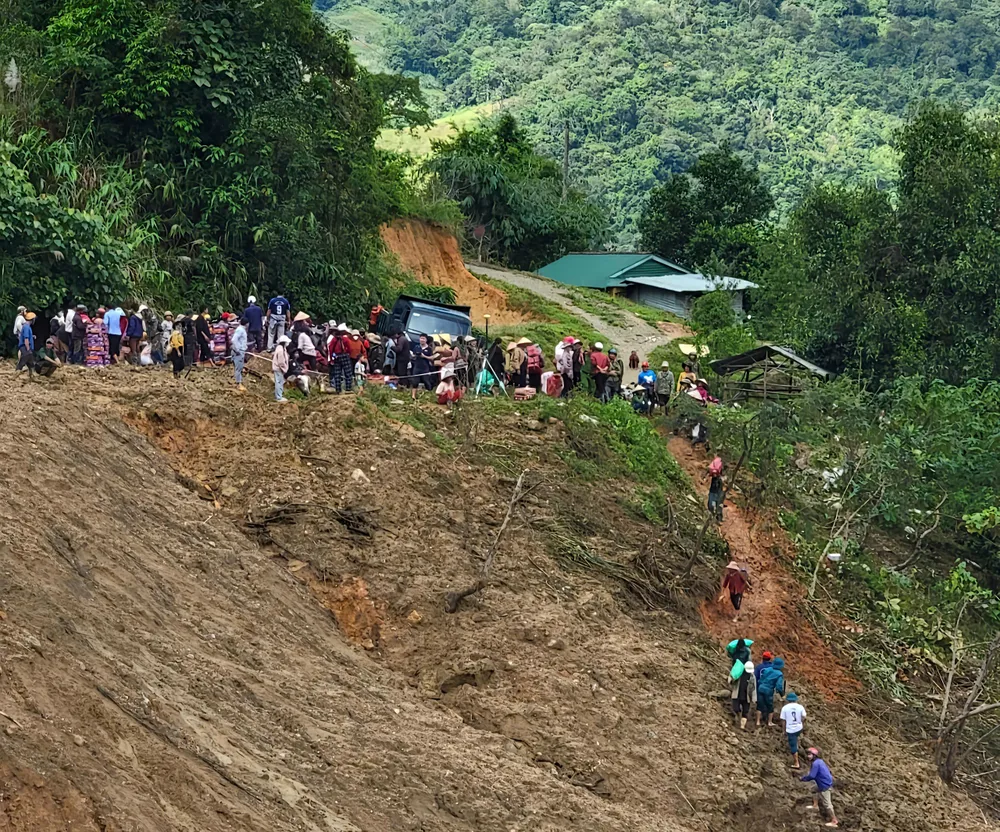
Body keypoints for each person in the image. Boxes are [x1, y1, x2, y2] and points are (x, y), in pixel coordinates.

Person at [801, 747, 838, 827]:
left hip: (824, 785)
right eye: (808, 754)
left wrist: (803, 778)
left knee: (827, 804)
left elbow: (812, 775)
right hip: (825, 782)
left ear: (814, 755)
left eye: (810, 755)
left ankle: (834, 821)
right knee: (814, 789)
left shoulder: (815, 764)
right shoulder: (819, 761)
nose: (808, 756)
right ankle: (815, 805)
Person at [780, 692, 807, 770]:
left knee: (793, 746)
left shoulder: (785, 708)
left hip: (791, 729)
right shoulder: (800, 707)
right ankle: (797, 747)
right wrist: (800, 722)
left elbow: (783, 720)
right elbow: (804, 717)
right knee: (795, 738)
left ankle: (796, 763)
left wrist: (783, 730)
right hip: (799, 727)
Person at [757, 657, 785, 728]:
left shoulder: (767, 669)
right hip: (768, 690)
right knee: (770, 707)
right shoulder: (779, 674)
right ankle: (769, 722)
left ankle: (758, 722)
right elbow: (779, 686)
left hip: (760, 688)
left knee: (759, 705)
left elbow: (761, 679)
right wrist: (782, 694)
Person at [730, 660, 756, 731]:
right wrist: (732, 679)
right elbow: (731, 679)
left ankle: (742, 726)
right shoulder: (738, 673)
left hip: (746, 696)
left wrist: (754, 698)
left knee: (745, 711)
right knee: (735, 708)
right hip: (737, 694)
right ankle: (737, 718)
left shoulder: (752, 676)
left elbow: (754, 688)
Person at [327, 324, 353, 394]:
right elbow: (349, 348)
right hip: (344, 356)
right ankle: (348, 389)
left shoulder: (334, 339)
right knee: (348, 373)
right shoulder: (345, 339)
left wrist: (332, 358)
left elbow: (330, 349)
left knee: (337, 373)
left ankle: (338, 389)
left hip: (336, 357)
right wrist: (348, 355)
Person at [410, 333, 435, 400]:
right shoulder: (416, 347)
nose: (422, 340)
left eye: (423, 338)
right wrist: (414, 356)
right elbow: (413, 355)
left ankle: (429, 397)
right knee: (415, 382)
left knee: (427, 382)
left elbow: (432, 358)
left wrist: (424, 356)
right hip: (417, 367)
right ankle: (413, 396)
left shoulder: (429, 349)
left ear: (426, 340)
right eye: (421, 338)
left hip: (425, 368)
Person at [272, 334, 291, 402]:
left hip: (279, 368)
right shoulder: (280, 350)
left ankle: (278, 395)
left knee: (280, 381)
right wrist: (285, 369)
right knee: (279, 382)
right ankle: (279, 397)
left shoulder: (282, 348)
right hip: (279, 368)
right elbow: (281, 362)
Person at [231, 317, 248, 391]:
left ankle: (238, 382)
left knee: (238, 368)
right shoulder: (240, 330)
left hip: (240, 350)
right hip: (238, 352)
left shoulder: (240, 329)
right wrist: (238, 349)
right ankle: (239, 384)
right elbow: (234, 340)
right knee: (239, 368)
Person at [707, 456, 724, 522]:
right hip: (714, 491)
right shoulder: (717, 477)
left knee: (717, 504)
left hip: (716, 491)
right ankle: (715, 517)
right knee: (715, 504)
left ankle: (718, 518)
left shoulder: (719, 478)